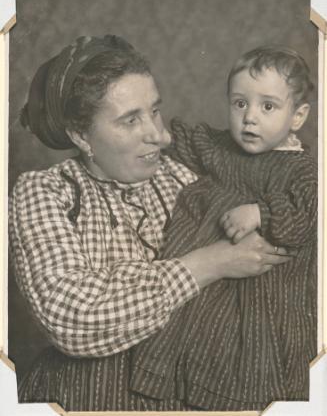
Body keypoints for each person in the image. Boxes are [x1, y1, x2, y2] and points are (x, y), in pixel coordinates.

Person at [8, 35, 290, 411]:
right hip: (85, 399)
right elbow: (72, 317)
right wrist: (211, 262)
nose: (160, 135)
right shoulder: (44, 192)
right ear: (82, 136)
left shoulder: (183, 175)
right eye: (130, 120)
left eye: (154, 111)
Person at [130, 46, 318, 411]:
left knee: (248, 360)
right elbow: (188, 141)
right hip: (208, 281)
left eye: (267, 107)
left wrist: (261, 212)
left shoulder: (301, 169)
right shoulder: (224, 148)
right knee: (192, 339)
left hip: (264, 293)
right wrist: (155, 134)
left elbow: (309, 216)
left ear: (297, 116)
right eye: (239, 104)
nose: (249, 119)